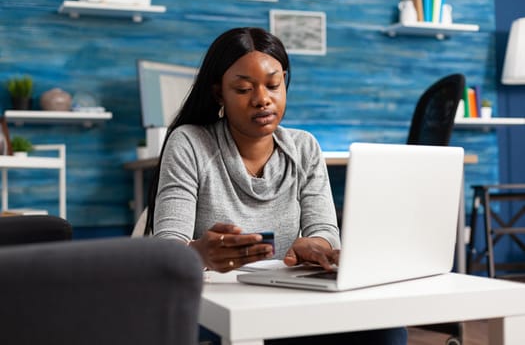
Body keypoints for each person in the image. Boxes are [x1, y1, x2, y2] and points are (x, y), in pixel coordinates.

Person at [146, 27, 407, 345]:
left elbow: (325, 230)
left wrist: (317, 247)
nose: (262, 100)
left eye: (273, 85)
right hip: (217, 305)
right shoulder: (189, 143)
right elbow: (167, 248)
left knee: (388, 331)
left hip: (288, 303)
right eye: (243, 89)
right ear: (219, 94)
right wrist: (200, 253)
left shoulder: (304, 147)